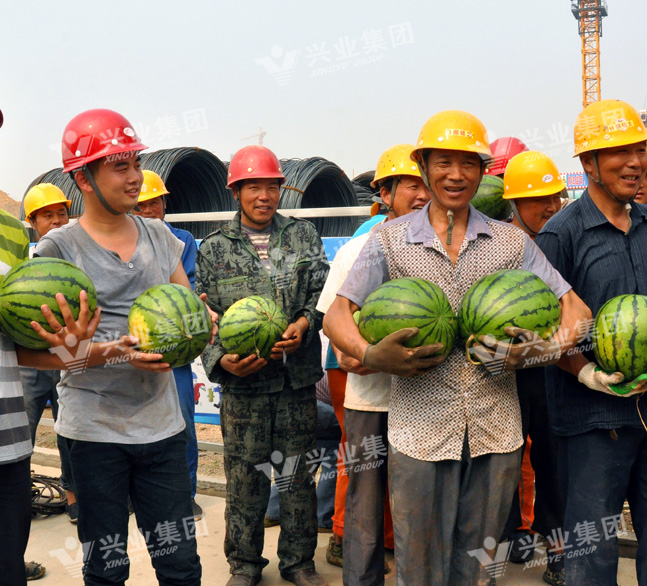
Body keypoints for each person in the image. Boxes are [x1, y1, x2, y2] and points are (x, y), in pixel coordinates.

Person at [324, 110, 590, 585]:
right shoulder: (389, 241)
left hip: (496, 430)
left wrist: (538, 350)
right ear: (423, 167)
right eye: (443, 162)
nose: (456, 174)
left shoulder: (511, 242)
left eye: (468, 163)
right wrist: (370, 355)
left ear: (482, 171)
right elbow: (337, 316)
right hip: (419, 431)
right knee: (418, 565)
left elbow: (578, 312)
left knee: (480, 566)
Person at [36, 108, 212, 586]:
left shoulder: (159, 236)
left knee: (180, 564)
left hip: (163, 428)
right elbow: (44, 356)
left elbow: (186, 310)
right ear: (84, 179)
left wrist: (202, 324)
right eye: (120, 166)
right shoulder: (58, 250)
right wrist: (117, 352)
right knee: (107, 567)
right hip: (94, 434)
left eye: (136, 163)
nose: (136, 177)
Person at [534, 99, 647, 586]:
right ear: (588, 163)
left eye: (639, 151)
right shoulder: (559, 236)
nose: (635, 163)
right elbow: (545, 333)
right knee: (592, 543)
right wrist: (586, 371)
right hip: (593, 419)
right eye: (619, 153)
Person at [196, 144, 330, 586]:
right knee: (244, 481)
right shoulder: (214, 248)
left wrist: (304, 325)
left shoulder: (304, 236)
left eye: (271, 187)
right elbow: (203, 317)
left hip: (296, 381)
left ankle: (299, 563)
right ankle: (245, 565)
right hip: (244, 389)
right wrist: (222, 361)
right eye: (253, 187)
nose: (264, 196)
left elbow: (322, 295)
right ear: (236, 192)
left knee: (297, 477)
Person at [320, 143, 427, 585]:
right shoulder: (356, 250)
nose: (422, 194)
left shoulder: (442, 248)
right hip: (369, 398)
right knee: (364, 494)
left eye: (425, 184)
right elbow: (332, 319)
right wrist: (354, 353)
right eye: (410, 185)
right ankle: (358, 572)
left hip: (425, 398)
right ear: (385, 193)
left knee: (417, 496)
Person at [0, 205, 100, 586]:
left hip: (8, 439)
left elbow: (14, 338)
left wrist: (78, 352)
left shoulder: (11, 231)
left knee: (8, 567)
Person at [500, 151, 567, 585]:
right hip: (506, 370)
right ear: (515, 202)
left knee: (554, 459)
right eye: (540, 199)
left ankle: (558, 550)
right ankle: (510, 535)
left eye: (555, 197)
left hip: (555, 367)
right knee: (505, 458)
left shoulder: (564, 238)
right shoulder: (497, 244)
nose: (551, 207)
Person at [134, 170, 203, 520]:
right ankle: (137, 495)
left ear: (165, 203)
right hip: (135, 349)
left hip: (174, 351)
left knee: (183, 423)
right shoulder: (123, 242)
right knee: (135, 425)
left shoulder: (182, 240)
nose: (150, 210)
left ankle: (186, 493)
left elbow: (185, 289)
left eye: (155, 202)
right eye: (142, 205)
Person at [20, 183, 79, 525]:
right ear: (32, 222)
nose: (57, 220)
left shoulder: (78, 259)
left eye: (61, 213)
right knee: (22, 429)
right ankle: (18, 494)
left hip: (66, 357)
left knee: (69, 430)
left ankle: (73, 495)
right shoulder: (25, 264)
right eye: (47, 215)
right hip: (31, 359)